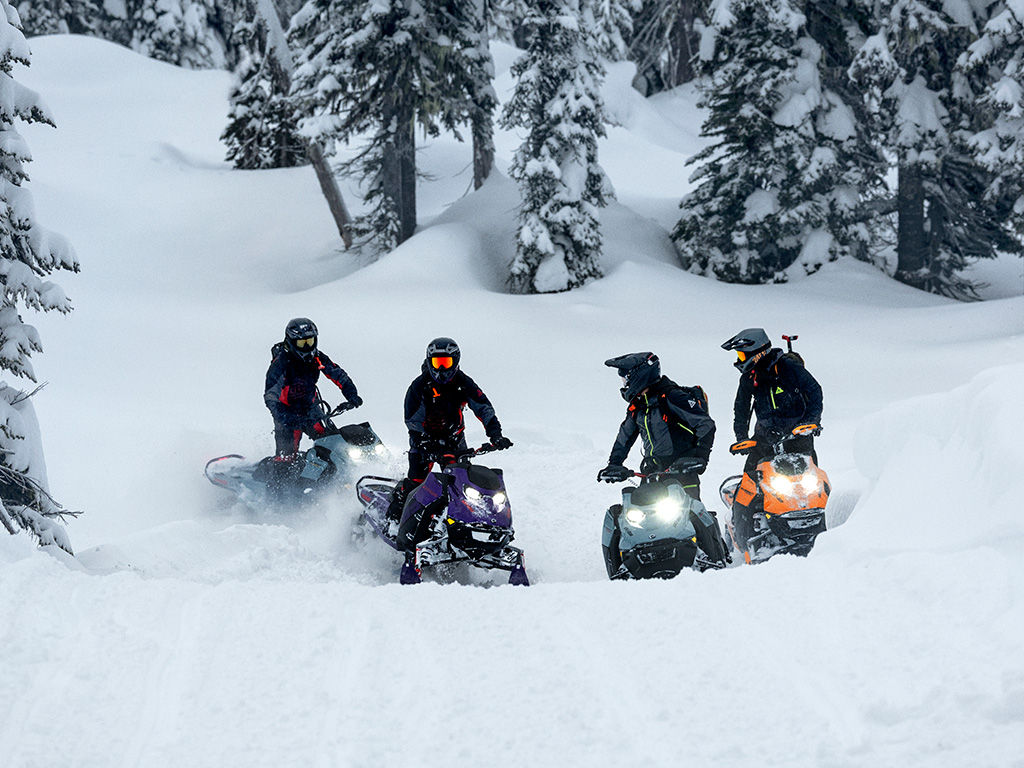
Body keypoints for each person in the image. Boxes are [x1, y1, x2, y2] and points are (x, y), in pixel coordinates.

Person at [597, 352, 727, 571]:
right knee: (632, 518)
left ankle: (716, 558)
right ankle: (623, 568)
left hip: (682, 470)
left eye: (626, 378)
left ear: (640, 375)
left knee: (693, 512)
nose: (624, 384)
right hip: (652, 473)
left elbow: (706, 425)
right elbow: (624, 438)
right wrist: (614, 464)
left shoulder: (672, 397)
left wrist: (698, 457)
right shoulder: (638, 406)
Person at [387, 337, 512, 537]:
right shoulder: (419, 386)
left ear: (456, 361)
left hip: (455, 442)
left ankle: (461, 530)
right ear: (429, 361)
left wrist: (495, 433)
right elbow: (412, 421)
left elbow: (483, 407)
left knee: (461, 486)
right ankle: (394, 521)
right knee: (416, 483)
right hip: (424, 442)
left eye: (446, 362)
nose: (441, 369)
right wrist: (427, 444)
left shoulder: (463, 383)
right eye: (437, 362)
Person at [721, 328, 823, 553]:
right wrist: (742, 438)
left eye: (742, 354)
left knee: (813, 485)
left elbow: (815, 391)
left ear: (756, 351)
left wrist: (811, 422)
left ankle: (826, 524)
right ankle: (743, 535)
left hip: (798, 438)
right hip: (764, 441)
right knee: (748, 487)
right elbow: (741, 409)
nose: (740, 359)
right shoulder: (749, 377)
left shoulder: (788, 367)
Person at [264, 317, 362, 458]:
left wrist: (351, 394)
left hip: (310, 407)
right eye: (302, 343)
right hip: (286, 412)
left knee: (333, 442)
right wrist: (284, 417)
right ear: (291, 342)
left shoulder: (317, 357)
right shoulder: (280, 364)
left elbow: (338, 375)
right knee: (286, 459)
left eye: (309, 342)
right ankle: (278, 468)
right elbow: (270, 396)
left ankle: (338, 468)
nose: (306, 347)